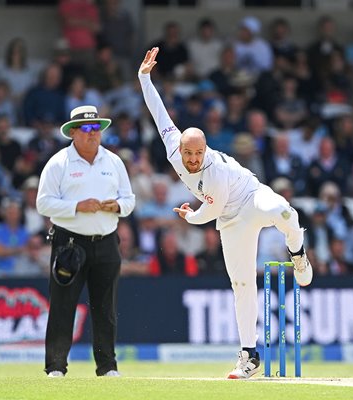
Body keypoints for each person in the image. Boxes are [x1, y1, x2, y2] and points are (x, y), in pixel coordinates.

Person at [138, 47, 312, 379]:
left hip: (250, 196)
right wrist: (144, 77)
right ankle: (249, 355)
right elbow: (159, 113)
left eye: (198, 154)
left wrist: (189, 217)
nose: (191, 160)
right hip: (231, 221)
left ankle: (298, 252)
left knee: (284, 212)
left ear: (206, 150)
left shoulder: (213, 170)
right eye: (188, 154)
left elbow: (206, 213)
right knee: (242, 283)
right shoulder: (173, 144)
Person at [36, 105, 135, 378]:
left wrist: (116, 206)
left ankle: (107, 367)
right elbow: (43, 204)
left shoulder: (114, 162)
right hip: (70, 243)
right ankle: (55, 367)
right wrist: (78, 206)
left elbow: (129, 200)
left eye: (96, 129)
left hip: (106, 242)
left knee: (106, 308)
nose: (93, 134)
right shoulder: (58, 163)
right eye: (87, 129)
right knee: (62, 305)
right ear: (73, 133)